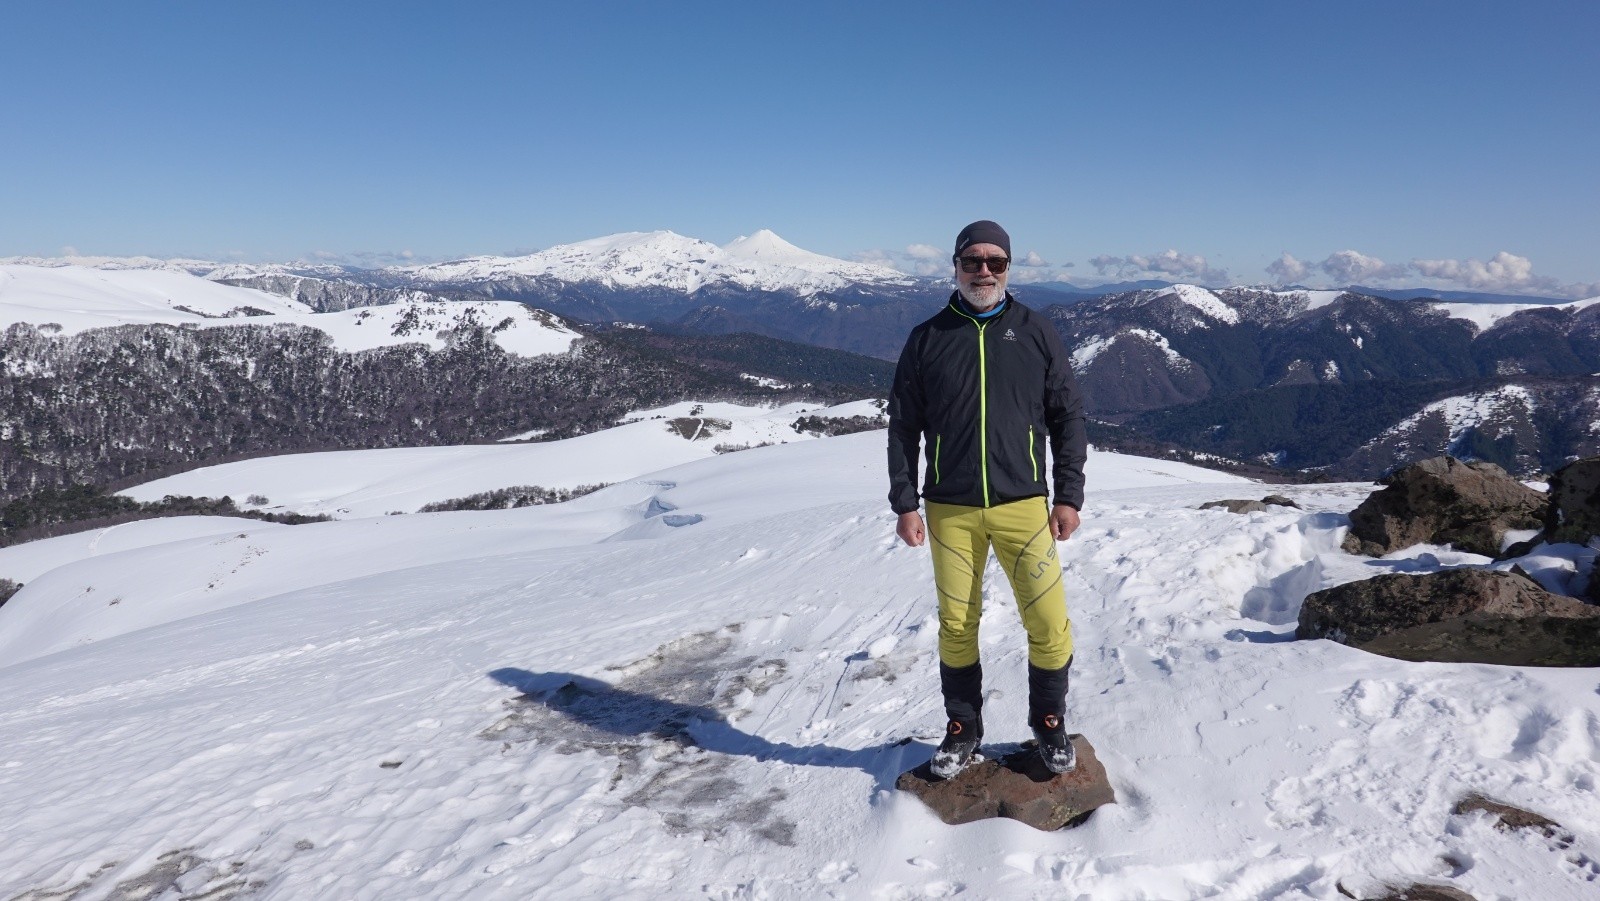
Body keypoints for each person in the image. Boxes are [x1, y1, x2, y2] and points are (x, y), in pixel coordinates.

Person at [887, 219, 1088, 778]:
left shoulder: (1035, 331)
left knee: (1049, 621)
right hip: (948, 507)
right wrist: (905, 501)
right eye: (973, 261)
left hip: (1023, 502)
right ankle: (962, 728)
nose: (983, 271)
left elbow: (1067, 416)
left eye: (995, 262)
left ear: (1008, 269)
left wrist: (1068, 494)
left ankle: (1049, 722)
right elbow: (903, 425)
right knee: (957, 623)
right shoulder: (928, 338)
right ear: (954, 266)